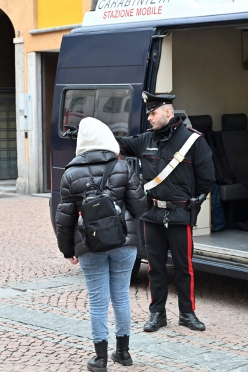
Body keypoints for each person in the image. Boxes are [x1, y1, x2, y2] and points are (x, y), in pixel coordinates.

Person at [116, 91, 215, 332]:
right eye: (148, 113)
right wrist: (89, 135)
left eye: (153, 112)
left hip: (180, 215)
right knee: (155, 267)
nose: (149, 117)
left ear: (168, 112)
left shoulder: (193, 140)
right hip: (152, 214)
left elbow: (207, 178)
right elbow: (118, 145)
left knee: (183, 267)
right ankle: (157, 314)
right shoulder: (144, 140)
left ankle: (187, 314)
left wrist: (191, 203)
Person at [55, 117, 146, 372]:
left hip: (88, 244)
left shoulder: (71, 173)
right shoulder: (123, 167)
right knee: (121, 297)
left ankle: (100, 359)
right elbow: (140, 207)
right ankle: (124, 352)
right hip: (123, 241)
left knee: (97, 301)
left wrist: (67, 251)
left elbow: (64, 219)